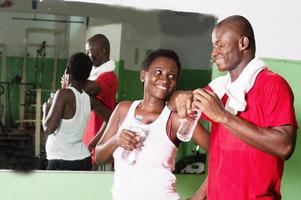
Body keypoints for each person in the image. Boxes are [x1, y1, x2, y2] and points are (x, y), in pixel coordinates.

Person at [171, 15, 298, 200]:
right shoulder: (220, 89)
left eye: (220, 44)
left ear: (243, 43)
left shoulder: (273, 84)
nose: (214, 52)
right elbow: (225, 158)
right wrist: (181, 96)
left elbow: (285, 146)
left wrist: (223, 116)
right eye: (213, 46)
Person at [94, 49, 209, 200]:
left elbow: (221, 153)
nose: (165, 79)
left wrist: (199, 196)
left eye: (171, 76)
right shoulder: (123, 110)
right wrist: (116, 140)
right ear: (143, 75)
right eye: (158, 72)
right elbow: (99, 157)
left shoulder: (176, 119)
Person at [42, 52, 111, 170]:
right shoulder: (88, 98)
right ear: (87, 74)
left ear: (67, 70)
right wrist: (93, 143)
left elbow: (48, 129)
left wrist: (46, 109)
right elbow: (111, 118)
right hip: (82, 159)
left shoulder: (63, 94)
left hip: (61, 161)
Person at [83, 34, 118, 167]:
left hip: (100, 145)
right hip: (89, 142)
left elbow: (90, 89)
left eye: (90, 52)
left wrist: (76, 74)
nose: (88, 56)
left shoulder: (108, 76)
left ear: (103, 51)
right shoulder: (96, 74)